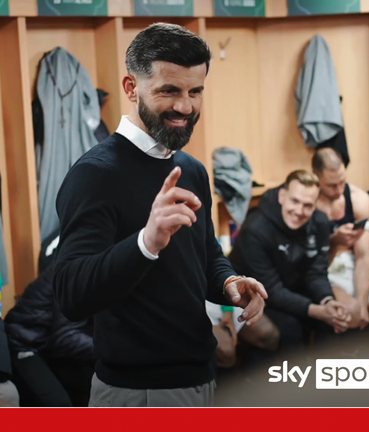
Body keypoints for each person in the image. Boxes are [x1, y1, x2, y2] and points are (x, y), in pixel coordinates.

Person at [53, 23, 268, 407]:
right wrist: (145, 243)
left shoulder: (192, 169)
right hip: (138, 393)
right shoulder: (95, 175)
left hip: (201, 379)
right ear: (131, 88)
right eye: (169, 91)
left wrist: (229, 283)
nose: (185, 106)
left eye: (195, 91)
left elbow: (205, 256)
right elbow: (70, 294)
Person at [227, 170, 351, 355]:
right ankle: (289, 374)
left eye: (308, 205)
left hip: (290, 286)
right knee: (290, 329)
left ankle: (328, 372)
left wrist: (327, 301)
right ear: (282, 196)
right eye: (295, 201)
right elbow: (271, 290)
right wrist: (317, 311)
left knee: (332, 321)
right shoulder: (255, 229)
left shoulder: (319, 223)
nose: (299, 211)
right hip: (254, 294)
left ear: (316, 204)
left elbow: (316, 272)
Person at [5, 268, 95, 406]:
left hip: (51, 347)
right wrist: (111, 349)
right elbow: (65, 337)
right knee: (59, 405)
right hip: (24, 343)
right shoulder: (76, 275)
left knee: (104, 385)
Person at [312, 148, 369, 329]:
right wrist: (334, 242)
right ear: (316, 177)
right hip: (326, 271)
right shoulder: (307, 205)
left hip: (356, 266)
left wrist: (363, 303)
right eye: (332, 185)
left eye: (342, 182)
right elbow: (311, 266)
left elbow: (364, 256)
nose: (339, 190)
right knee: (351, 312)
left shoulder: (359, 200)